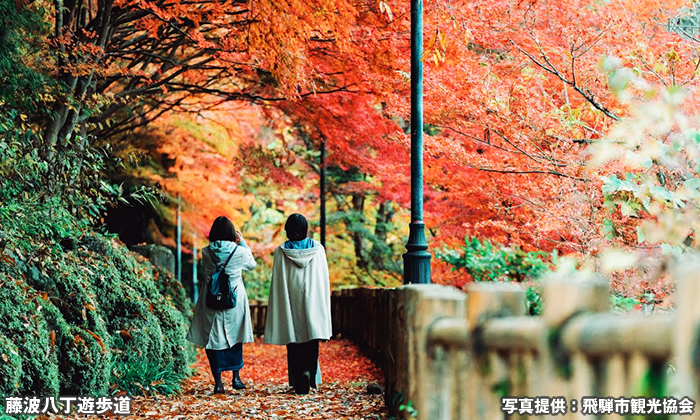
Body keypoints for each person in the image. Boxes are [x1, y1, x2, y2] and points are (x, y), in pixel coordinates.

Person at [187, 216, 257, 394]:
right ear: (232, 233)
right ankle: (236, 378)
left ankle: (218, 383)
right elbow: (252, 264)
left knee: (213, 339)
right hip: (234, 298)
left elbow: (206, 269)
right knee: (235, 337)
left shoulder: (206, 251)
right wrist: (242, 243)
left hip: (211, 297)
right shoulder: (239, 252)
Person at [264, 213, 332, 395]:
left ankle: (297, 378)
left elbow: (278, 282)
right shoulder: (318, 250)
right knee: (312, 338)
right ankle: (309, 374)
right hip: (313, 301)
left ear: (287, 230)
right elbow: (323, 279)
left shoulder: (281, 251)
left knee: (293, 340)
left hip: (290, 301)